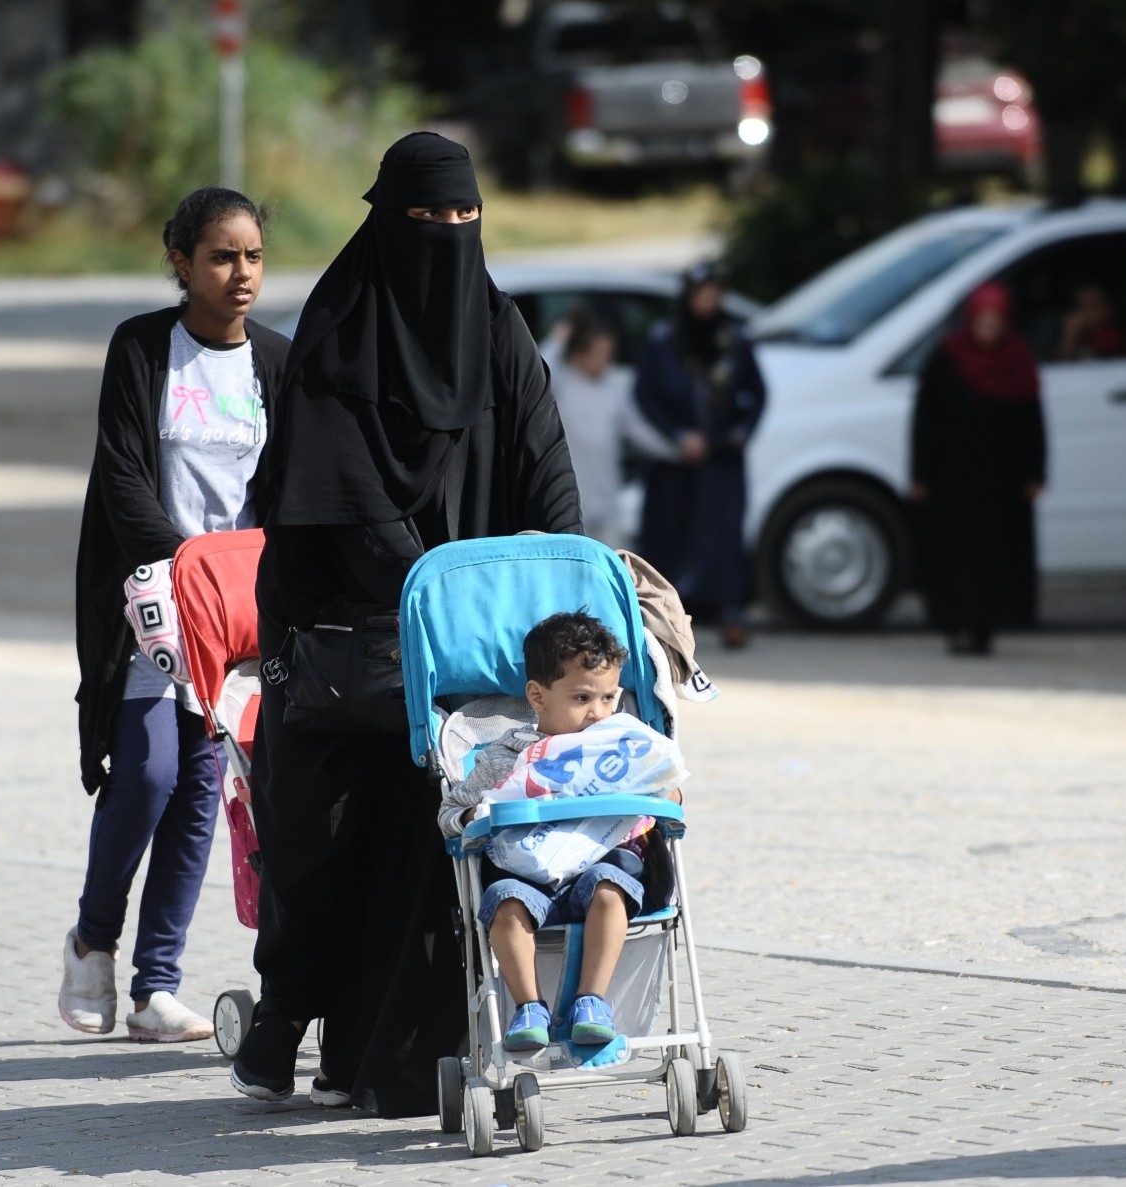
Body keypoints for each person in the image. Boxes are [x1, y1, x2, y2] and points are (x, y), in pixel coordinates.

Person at [234, 132, 582, 1116]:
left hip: (475, 642)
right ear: (389, 223)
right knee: (330, 836)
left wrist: (561, 595)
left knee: (474, 826)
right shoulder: (338, 342)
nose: (448, 238)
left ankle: (418, 1051)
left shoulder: (497, 328)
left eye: (465, 220)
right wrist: (441, 598)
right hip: (357, 644)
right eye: (428, 220)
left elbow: (548, 471)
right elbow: (344, 506)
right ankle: (285, 1020)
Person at [64, 187, 290, 1041]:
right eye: (223, 256)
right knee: (151, 771)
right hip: (154, 599)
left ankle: (155, 986)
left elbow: (286, 482)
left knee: (203, 791)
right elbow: (122, 473)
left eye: (253, 257)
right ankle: (92, 937)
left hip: (240, 606)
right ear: (183, 263)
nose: (241, 274)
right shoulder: (143, 348)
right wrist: (181, 563)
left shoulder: (277, 359)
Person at [439, 611, 682, 1048]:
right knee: (504, 904)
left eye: (609, 699)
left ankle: (592, 1001)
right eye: (582, 698)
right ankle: (529, 1007)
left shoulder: (620, 748)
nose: (599, 713)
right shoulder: (506, 756)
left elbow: (668, 790)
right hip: (528, 878)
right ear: (538, 696)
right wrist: (475, 813)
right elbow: (451, 811)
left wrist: (665, 798)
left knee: (612, 890)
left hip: (602, 871)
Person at [908, 281, 1046, 656]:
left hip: (1003, 482)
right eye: (983, 323)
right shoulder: (948, 357)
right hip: (952, 479)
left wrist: (1036, 473)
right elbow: (925, 419)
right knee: (955, 555)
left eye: (996, 323)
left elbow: (1033, 421)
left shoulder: (1018, 360)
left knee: (996, 557)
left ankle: (987, 627)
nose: (989, 331)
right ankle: (955, 625)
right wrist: (920, 474)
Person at [634, 262, 766, 649]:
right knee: (669, 536)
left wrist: (739, 433)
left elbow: (756, 395)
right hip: (674, 460)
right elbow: (646, 397)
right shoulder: (664, 341)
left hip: (722, 458)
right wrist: (677, 436)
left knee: (723, 535)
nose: (708, 303)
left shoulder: (734, 339)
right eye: (701, 295)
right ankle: (664, 622)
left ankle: (730, 612)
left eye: (714, 295)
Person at [549, 315, 679, 547]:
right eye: (599, 354)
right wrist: (557, 340)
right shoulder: (560, 383)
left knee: (613, 559)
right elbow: (538, 369)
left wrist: (676, 450)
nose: (605, 361)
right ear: (579, 353)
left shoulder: (613, 389)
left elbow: (639, 431)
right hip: (571, 495)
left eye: (608, 354)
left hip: (607, 497)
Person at [1056, 282, 1126, 361]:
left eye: (1093, 307)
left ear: (1108, 308)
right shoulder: (1080, 335)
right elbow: (1062, 366)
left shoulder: (1111, 336)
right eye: (1083, 308)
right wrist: (1071, 334)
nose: (1087, 314)